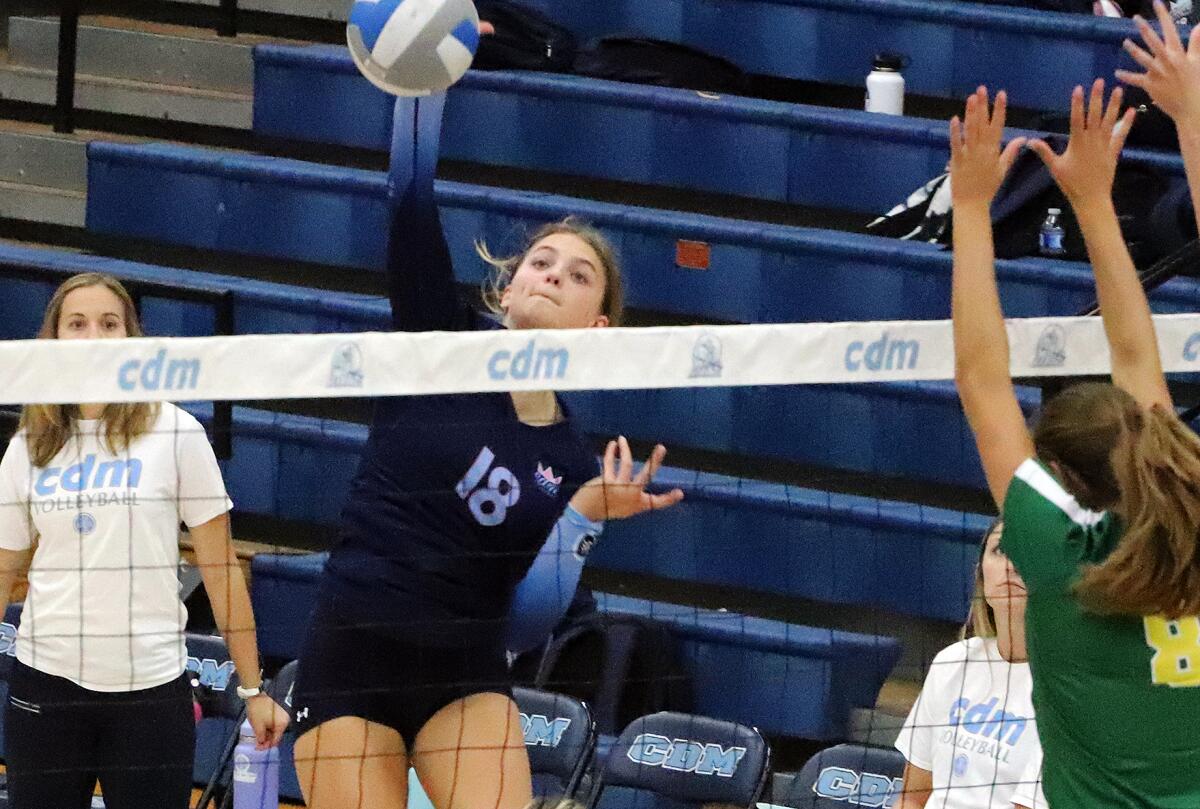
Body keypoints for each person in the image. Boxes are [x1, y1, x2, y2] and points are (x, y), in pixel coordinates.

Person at [290, 93, 685, 809]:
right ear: (509, 287)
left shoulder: (568, 460)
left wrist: (585, 515)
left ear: (598, 328)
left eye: (576, 274)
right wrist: (424, 82)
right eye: (541, 262)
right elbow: (409, 201)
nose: (553, 275)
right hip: (353, 648)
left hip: (461, 671)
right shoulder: (442, 338)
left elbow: (525, 621)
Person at [949, 62, 1200, 809]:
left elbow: (980, 376)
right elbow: (1132, 360)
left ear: (1059, 478)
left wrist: (969, 207)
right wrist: (1095, 199)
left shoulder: (1057, 555)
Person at [0, 273, 288, 809]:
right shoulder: (28, 446)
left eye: (110, 323)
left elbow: (222, 571)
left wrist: (253, 690)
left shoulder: (176, 433)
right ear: (55, 340)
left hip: (150, 696)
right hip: (46, 689)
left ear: (132, 339)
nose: (94, 336)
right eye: (77, 324)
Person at [895, 522, 1046, 809]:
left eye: (1029, 550)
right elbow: (912, 797)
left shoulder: (1068, 691)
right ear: (981, 573)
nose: (1011, 565)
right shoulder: (953, 662)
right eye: (1001, 550)